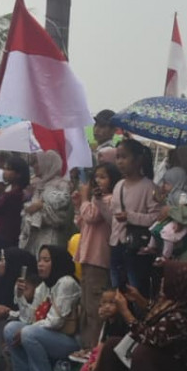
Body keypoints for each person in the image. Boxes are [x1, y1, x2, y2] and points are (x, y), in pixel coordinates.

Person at [2, 245, 82, 371]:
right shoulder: (44, 285)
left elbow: (55, 321)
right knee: (10, 329)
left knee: (28, 333)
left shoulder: (66, 283)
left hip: (68, 340)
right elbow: (30, 318)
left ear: (57, 262)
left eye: (46, 260)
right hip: (48, 334)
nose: (40, 264)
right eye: (39, 260)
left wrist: (27, 329)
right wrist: (20, 297)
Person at [75, 162, 120, 350]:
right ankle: (86, 346)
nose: (98, 181)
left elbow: (92, 216)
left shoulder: (108, 200)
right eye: (96, 177)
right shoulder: (95, 200)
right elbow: (82, 221)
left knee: (95, 307)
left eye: (103, 177)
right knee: (85, 307)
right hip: (87, 257)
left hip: (98, 258)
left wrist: (85, 198)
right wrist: (80, 203)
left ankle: (93, 348)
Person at [109, 139, 161, 297]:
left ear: (138, 160)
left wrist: (130, 217)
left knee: (136, 290)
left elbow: (156, 218)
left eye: (124, 157)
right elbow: (112, 215)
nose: (120, 162)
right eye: (117, 157)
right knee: (117, 290)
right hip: (116, 245)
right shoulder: (119, 185)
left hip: (136, 247)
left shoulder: (149, 187)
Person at [21, 150, 72, 254]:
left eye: (37, 162)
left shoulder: (61, 184)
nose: (34, 166)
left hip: (50, 236)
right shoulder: (40, 184)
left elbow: (61, 216)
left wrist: (40, 207)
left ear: (47, 163)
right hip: (34, 236)